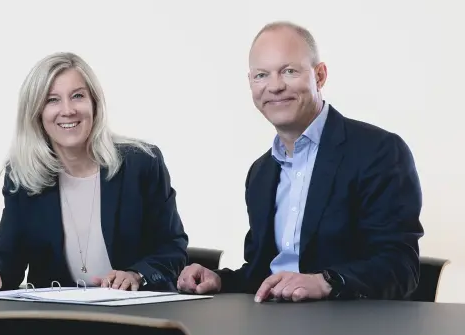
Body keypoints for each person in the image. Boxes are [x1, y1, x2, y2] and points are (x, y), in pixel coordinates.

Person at [177, 21, 424, 302]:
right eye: (261, 75)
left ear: (320, 76)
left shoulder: (378, 151)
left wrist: (325, 282)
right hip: (272, 321)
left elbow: (400, 266)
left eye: (289, 71)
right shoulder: (261, 173)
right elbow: (262, 274)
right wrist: (219, 279)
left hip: (348, 322)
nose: (275, 86)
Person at [0, 52, 188, 294]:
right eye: (52, 100)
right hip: (61, 314)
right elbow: (9, 256)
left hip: (138, 311)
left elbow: (172, 247)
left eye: (77, 96)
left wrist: (136, 274)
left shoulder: (142, 163)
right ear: (36, 113)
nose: (67, 110)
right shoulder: (23, 176)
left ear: (94, 103)